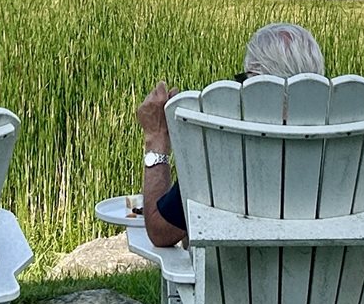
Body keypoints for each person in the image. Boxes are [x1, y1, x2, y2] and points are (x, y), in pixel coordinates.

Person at [136, 23, 327, 250]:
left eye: (243, 79)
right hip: (331, 273)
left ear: (255, 80)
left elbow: (160, 231)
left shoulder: (225, 146)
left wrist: (156, 138)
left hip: (240, 274)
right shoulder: (348, 144)